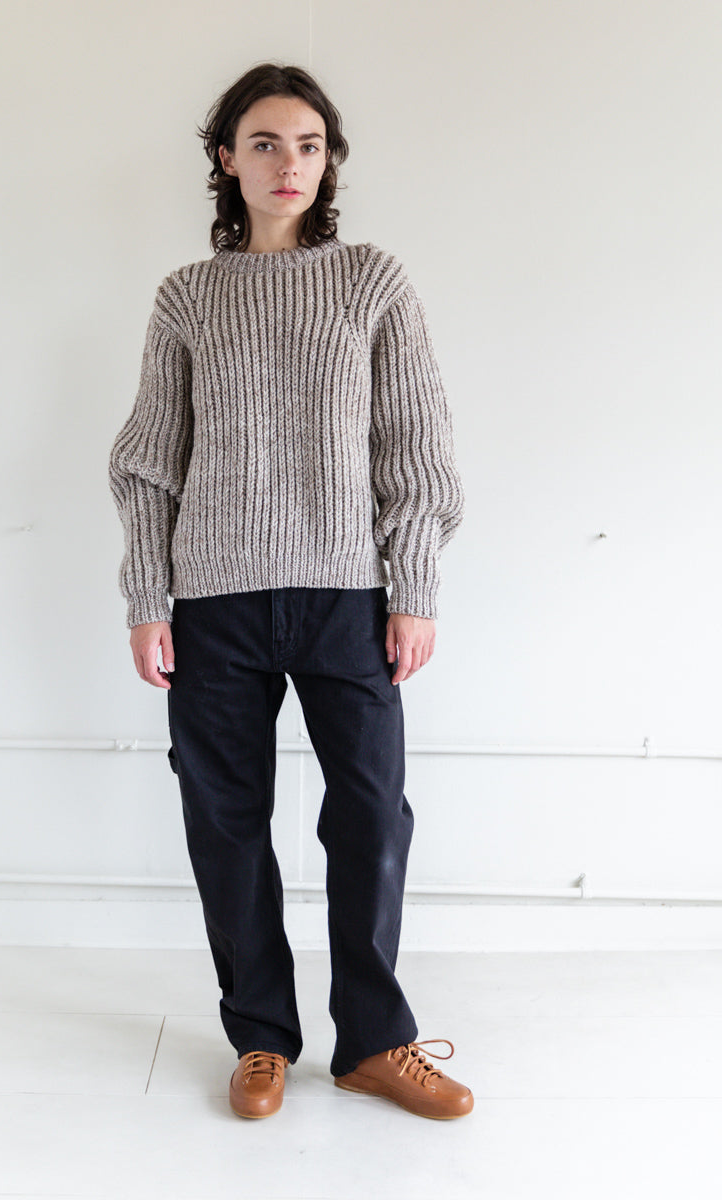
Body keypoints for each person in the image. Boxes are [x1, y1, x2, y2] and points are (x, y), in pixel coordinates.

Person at [108, 61, 473, 1122]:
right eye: (264, 143)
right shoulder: (188, 295)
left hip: (348, 595)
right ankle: (261, 1037)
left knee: (370, 814)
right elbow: (149, 462)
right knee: (226, 821)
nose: (288, 164)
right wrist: (147, 597)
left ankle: (375, 1042)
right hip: (213, 599)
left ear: (329, 161)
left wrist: (413, 586)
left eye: (308, 145)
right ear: (226, 158)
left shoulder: (371, 282)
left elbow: (415, 448)